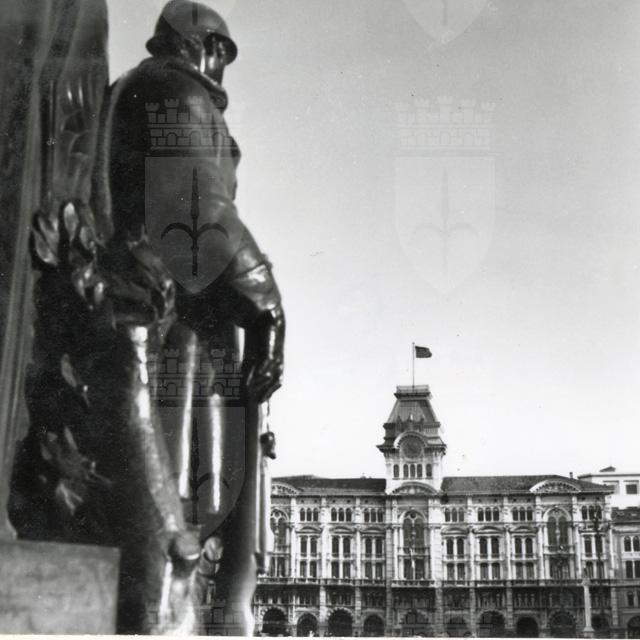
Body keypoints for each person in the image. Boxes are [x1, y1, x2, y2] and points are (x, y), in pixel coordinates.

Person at [104, 0, 285, 633]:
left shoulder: (132, 89)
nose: (221, 68)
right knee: (173, 502)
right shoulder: (175, 92)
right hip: (169, 328)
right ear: (201, 45)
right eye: (221, 52)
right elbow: (202, 209)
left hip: (151, 314)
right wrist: (267, 306)